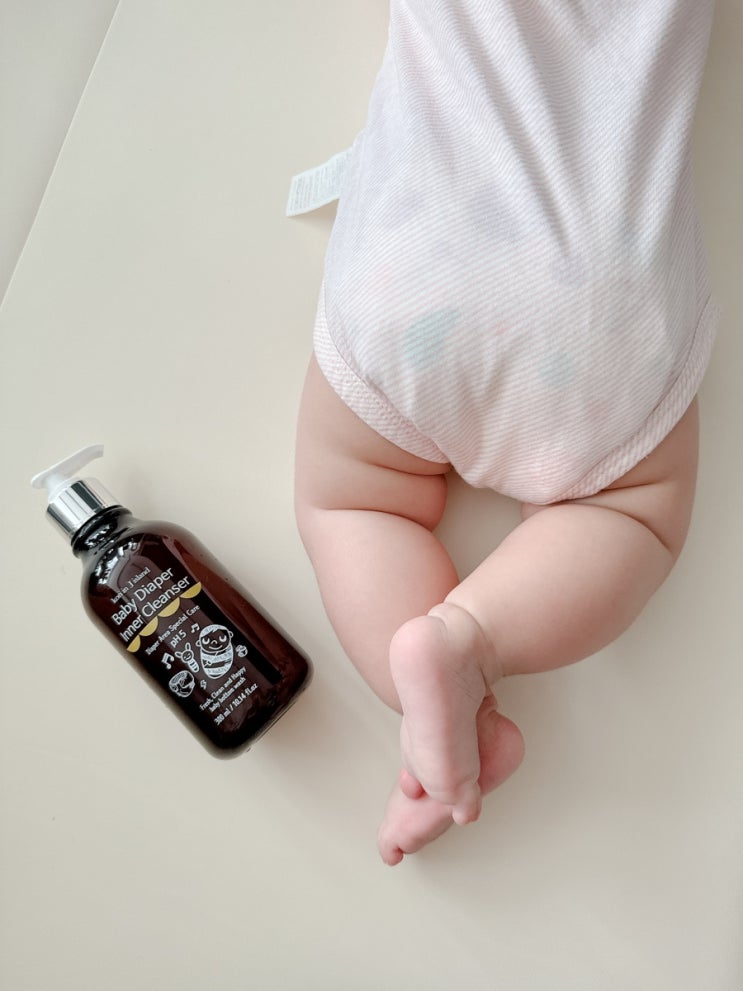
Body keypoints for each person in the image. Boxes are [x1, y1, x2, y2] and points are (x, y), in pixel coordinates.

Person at [294, 0, 719, 866]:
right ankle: (465, 641)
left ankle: (434, 703)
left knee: (354, 503)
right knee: (627, 514)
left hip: (417, 268)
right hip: (602, 306)